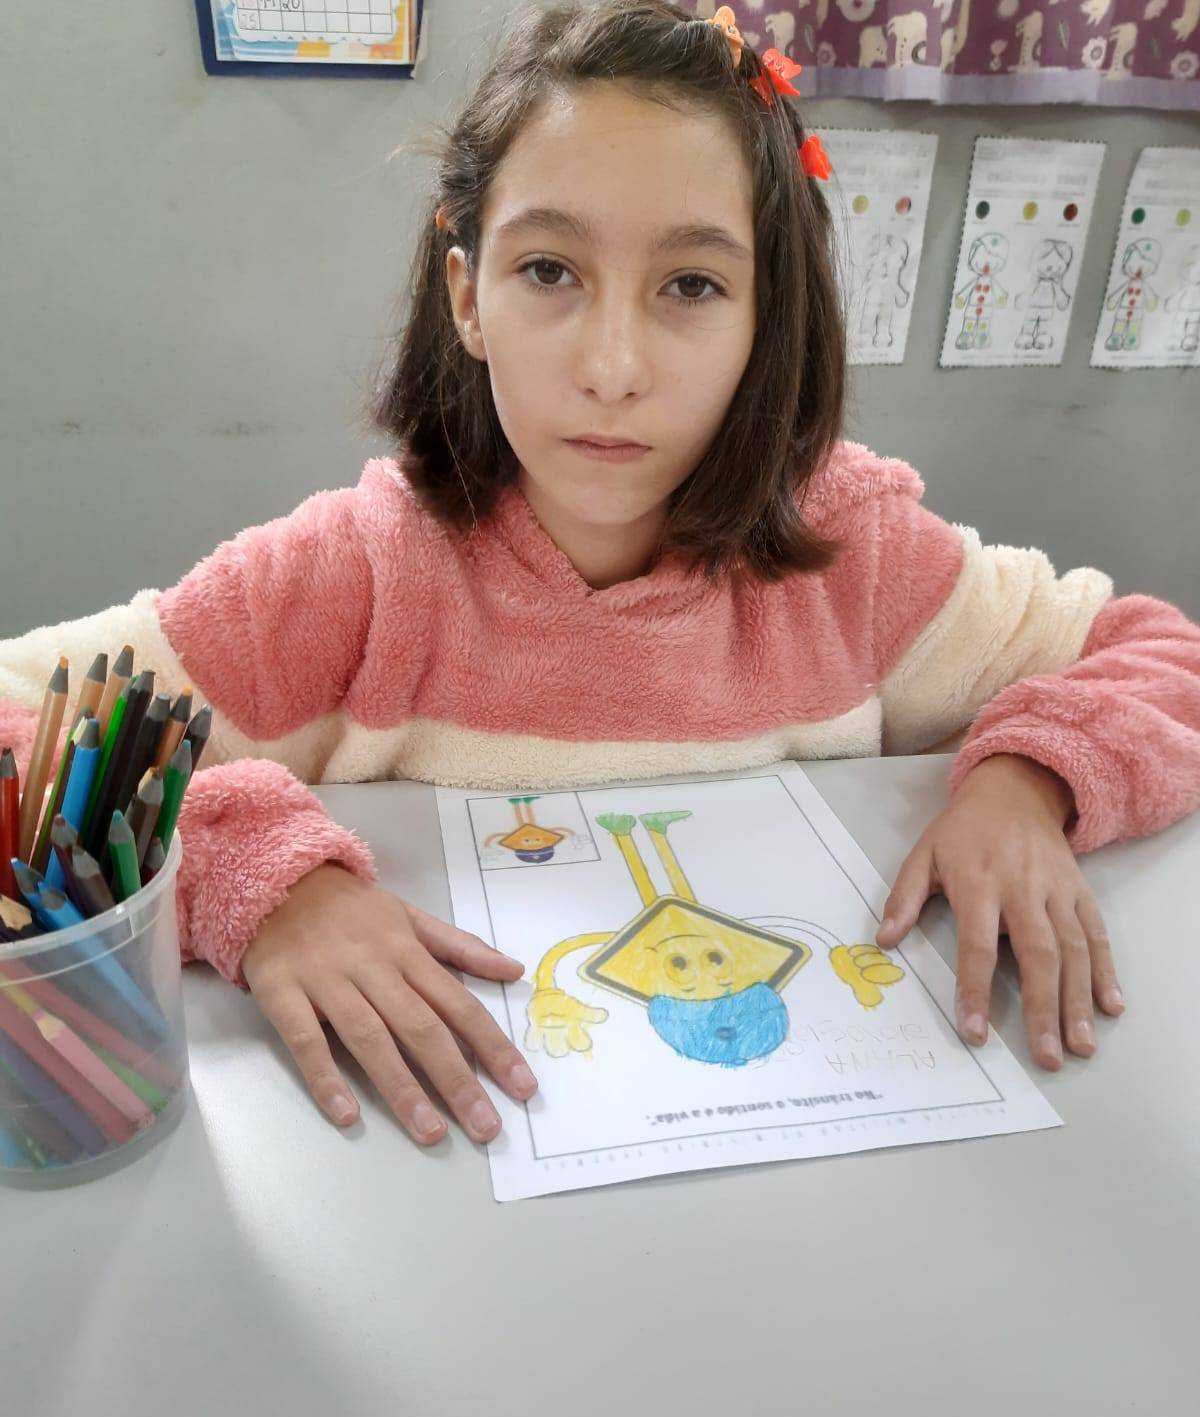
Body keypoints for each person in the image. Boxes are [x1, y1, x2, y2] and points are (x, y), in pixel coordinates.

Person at [3, 0, 1199, 1149]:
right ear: (468, 296)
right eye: (548, 271)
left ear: (764, 322)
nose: (614, 366)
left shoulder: (854, 551)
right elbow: (22, 723)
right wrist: (267, 878)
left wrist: (1029, 782)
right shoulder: (358, 571)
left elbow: (1159, 652)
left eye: (692, 286)